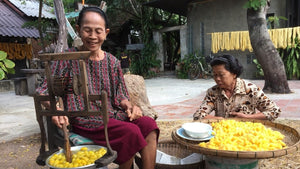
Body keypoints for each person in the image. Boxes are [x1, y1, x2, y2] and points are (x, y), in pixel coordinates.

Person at [36, 7, 159, 169]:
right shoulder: (66, 59)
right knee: (131, 132)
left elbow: (121, 96)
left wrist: (131, 107)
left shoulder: (112, 62)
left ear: (106, 32)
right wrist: (56, 110)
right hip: (85, 122)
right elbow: (42, 91)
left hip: (113, 117)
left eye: (98, 31)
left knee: (149, 125)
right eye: (87, 30)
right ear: (79, 30)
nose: (93, 36)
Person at [193, 54, 281, 121]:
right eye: (215, 75)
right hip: (222, 134)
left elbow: (274, 111)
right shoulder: (213, 92)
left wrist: (248, 117)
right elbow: (198, 115)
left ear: (234, 73)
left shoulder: (251, 90)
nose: (217, 79)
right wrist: (218, 120)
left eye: (221, 75)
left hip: (246, 134)